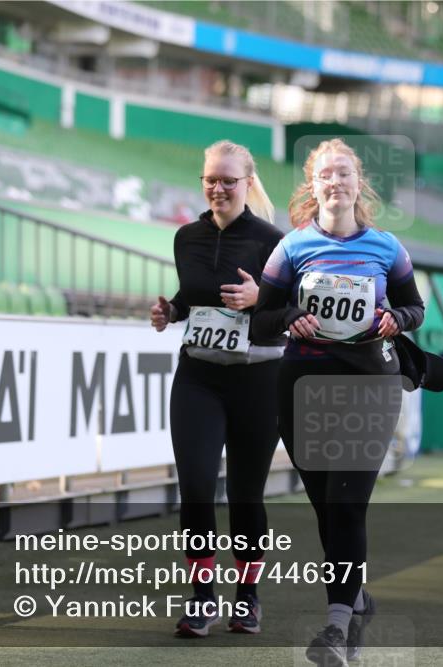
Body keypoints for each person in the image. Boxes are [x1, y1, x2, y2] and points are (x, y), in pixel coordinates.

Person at [252, 138, 425, 666]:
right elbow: (260, 321)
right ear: (313, 184)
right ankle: (355, 600)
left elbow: (415, 308)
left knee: (348, 503)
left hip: (370, 385)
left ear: (358, 182)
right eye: (326, 174)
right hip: (303, 388)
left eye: (344, 173)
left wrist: (396, 319)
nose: (336, 182)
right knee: (327, 507)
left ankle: (334, 629)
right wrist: (288, 319)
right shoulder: (291, 248)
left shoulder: (388, 248)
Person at [149, 140, 285, 637]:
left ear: (248, 183)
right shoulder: (186, 237)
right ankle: (202, 597)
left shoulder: (274, 241)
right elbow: (193, 297)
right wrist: (172, 312)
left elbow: (291, 317)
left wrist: (259, 298)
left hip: (258, 380)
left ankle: (247, 597)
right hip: (198, 378)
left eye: (229, 180)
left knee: (247, 494)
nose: (219, 188)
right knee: (197, 489)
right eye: (211, 179)